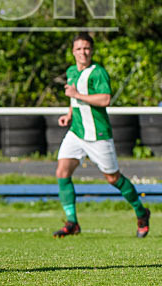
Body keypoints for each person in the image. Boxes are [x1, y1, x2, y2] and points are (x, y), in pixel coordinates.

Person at [53, 32, 150, 238]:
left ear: (92, 50)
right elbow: (74, 100)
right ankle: (72, 222)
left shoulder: (98, 72)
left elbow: (105, 99)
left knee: (112, 178)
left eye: (86, 48)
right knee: (62, 172)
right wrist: (69, 114)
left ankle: (141, 213)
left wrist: (76, 95)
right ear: (73, 52)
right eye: (79, 48)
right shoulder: (71, 71)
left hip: (98, 134)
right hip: (76, 132)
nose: (83, 52)